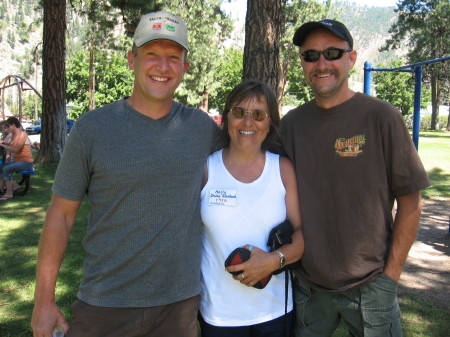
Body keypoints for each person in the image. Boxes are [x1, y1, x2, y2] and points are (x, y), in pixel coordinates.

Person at [31, 11, 220, 337]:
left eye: (173, 57)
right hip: (105, 305)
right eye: (151, 54)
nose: (163, 67)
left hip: (179, 307)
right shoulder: (92, 129)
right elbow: (60, 216)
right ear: (132, 59)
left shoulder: (203, 129)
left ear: (185, 68)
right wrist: (43, 301)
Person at [280, 19, 431, 337]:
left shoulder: (382, 117)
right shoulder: (291, 125)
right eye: (311, 55)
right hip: (309, 287)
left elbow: (411, 202)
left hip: (371, 286)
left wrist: (390, 277)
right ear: (302, 63)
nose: (321, 63)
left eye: (332, 53)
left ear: (351, 58)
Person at [199, 80, 304, 337]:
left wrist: (272, 260)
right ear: (226, 118)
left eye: (258, 115)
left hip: (275, 311)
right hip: (218, 313)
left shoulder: (283, 170)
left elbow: (303, 234)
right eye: (239, 112)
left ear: (270, 124)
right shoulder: (205, 169)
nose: (248, 122)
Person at [0, 117, 34, 201]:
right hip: (18, 161)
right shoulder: (14, 135)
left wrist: (3, 145)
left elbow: (15, 149)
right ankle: (1, 189)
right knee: (1, 167)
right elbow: (11, 144)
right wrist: (3, 142)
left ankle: (9, 193)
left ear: (13, 124)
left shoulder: (22, 135)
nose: (7, 128)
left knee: (6, 169)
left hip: (26, 162)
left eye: (8, 126)